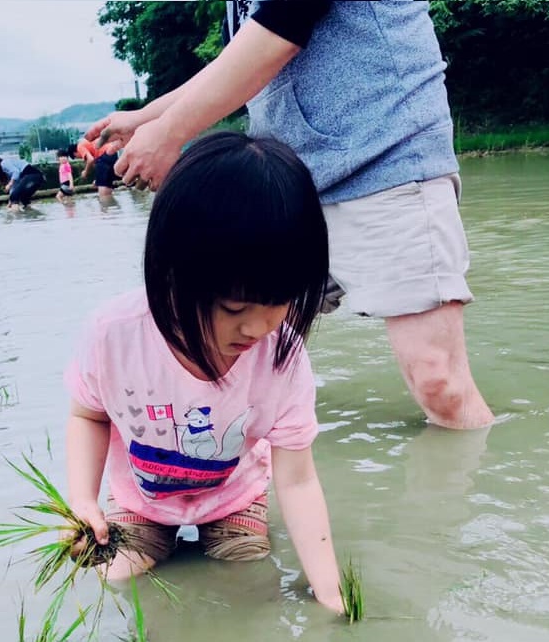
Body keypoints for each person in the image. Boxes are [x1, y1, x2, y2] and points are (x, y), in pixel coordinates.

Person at [84, 0, 494, 431]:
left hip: (386, 161)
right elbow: (239, 59)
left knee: (439, 382)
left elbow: (283, 24)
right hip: (290, 184)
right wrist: (146, 118)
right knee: (240, 353)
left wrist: (169, 133)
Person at [64, 132, 344, 614]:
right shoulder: (115, 334)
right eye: (235, 306)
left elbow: (296, 481)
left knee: (248, 575)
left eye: (277, 302)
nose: (256, 326)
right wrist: (82, 501)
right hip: (141, 502)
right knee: (115, 580)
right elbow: (88, 416)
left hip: (232, 498)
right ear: (174, 274)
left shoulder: (283, 355)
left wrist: (330, 592)